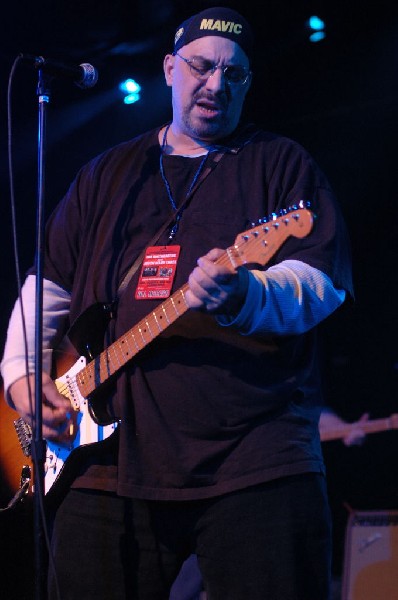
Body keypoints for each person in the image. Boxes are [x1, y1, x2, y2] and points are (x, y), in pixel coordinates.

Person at [0, 6, 354, 599]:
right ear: (169, 69)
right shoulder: (107, 174)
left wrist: (247, 292)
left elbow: (322, 281)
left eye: (233, 75)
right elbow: (48, 285)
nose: (216, 85)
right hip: (106, 466)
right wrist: (22, 376)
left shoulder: (280, 164)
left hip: (255, 458)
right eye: (201, 67)